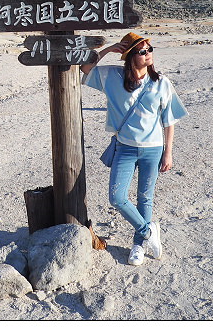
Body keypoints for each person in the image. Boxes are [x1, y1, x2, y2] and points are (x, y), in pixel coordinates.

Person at [80, 31, 187, 266]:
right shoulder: (112, 77)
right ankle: (149, 232)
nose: (149, 54)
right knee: (117, 198)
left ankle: (138, 245)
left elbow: (169, 122)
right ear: (129, 57)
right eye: (142, 51)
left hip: (153, 149)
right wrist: (108, 50)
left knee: (144, 199)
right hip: (125, 149)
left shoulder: (162, 83)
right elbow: (86, 68)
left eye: (150, 49)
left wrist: (168, 153)